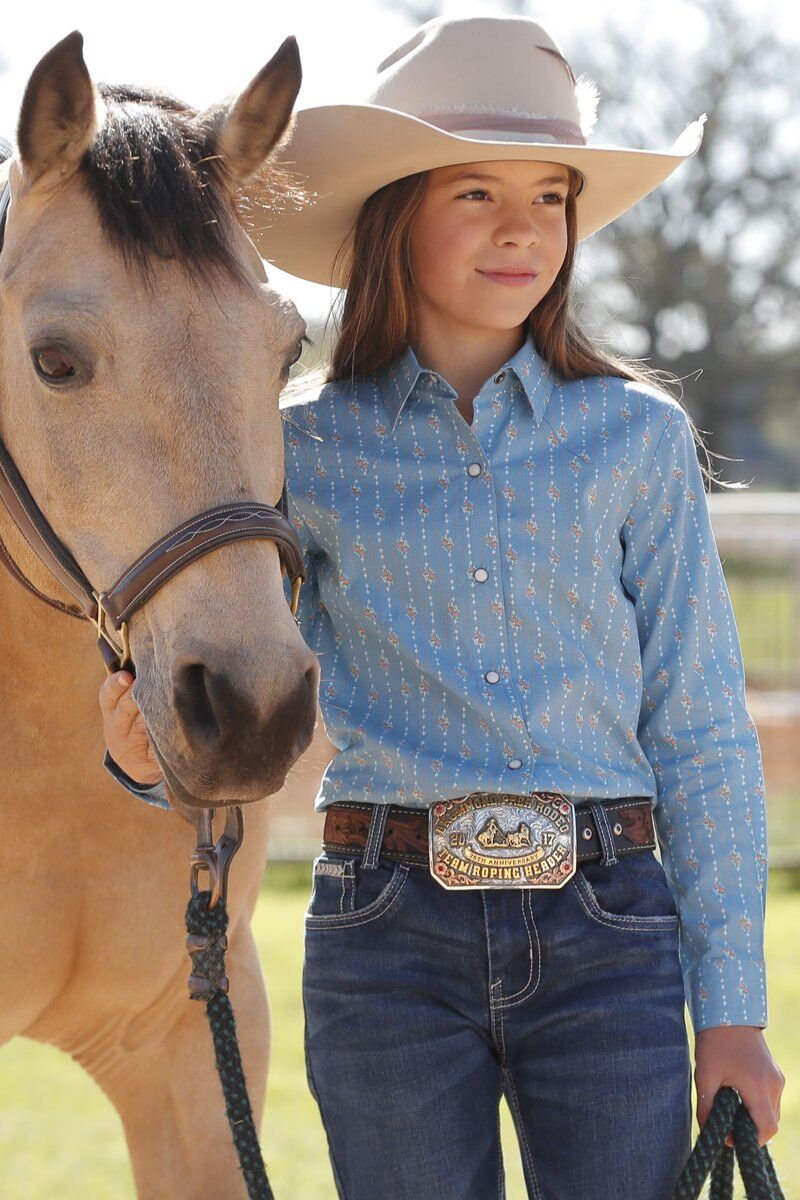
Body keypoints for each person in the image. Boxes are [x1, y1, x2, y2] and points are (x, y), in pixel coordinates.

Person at [101, 15, 785, 1199]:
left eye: (550, 196)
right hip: (383, 943)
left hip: (611, 934)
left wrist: (731, 1013)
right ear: (392, 216)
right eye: (474, 190)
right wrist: (146, 762)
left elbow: (702, 734)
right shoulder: (296, 451)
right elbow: (240, 702)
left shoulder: (635, 440)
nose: (522, 227)